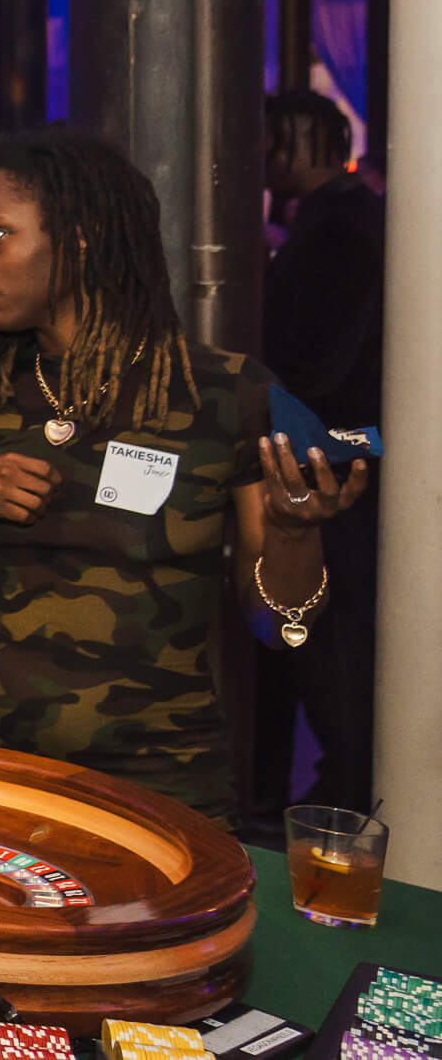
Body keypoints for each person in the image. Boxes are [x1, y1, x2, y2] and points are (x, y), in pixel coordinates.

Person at [0, 129, 368, 823]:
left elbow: (281, 626)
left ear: (83, 234)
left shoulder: (222, 394)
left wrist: (297, 533)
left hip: (165, 784)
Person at [260, 89, 385, 813]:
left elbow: (324, 359)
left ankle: (342, 793)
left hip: (333, 458)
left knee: (327, 640)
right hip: (330, 449)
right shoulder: (335, 216)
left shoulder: (340, 223)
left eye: (271, 141)